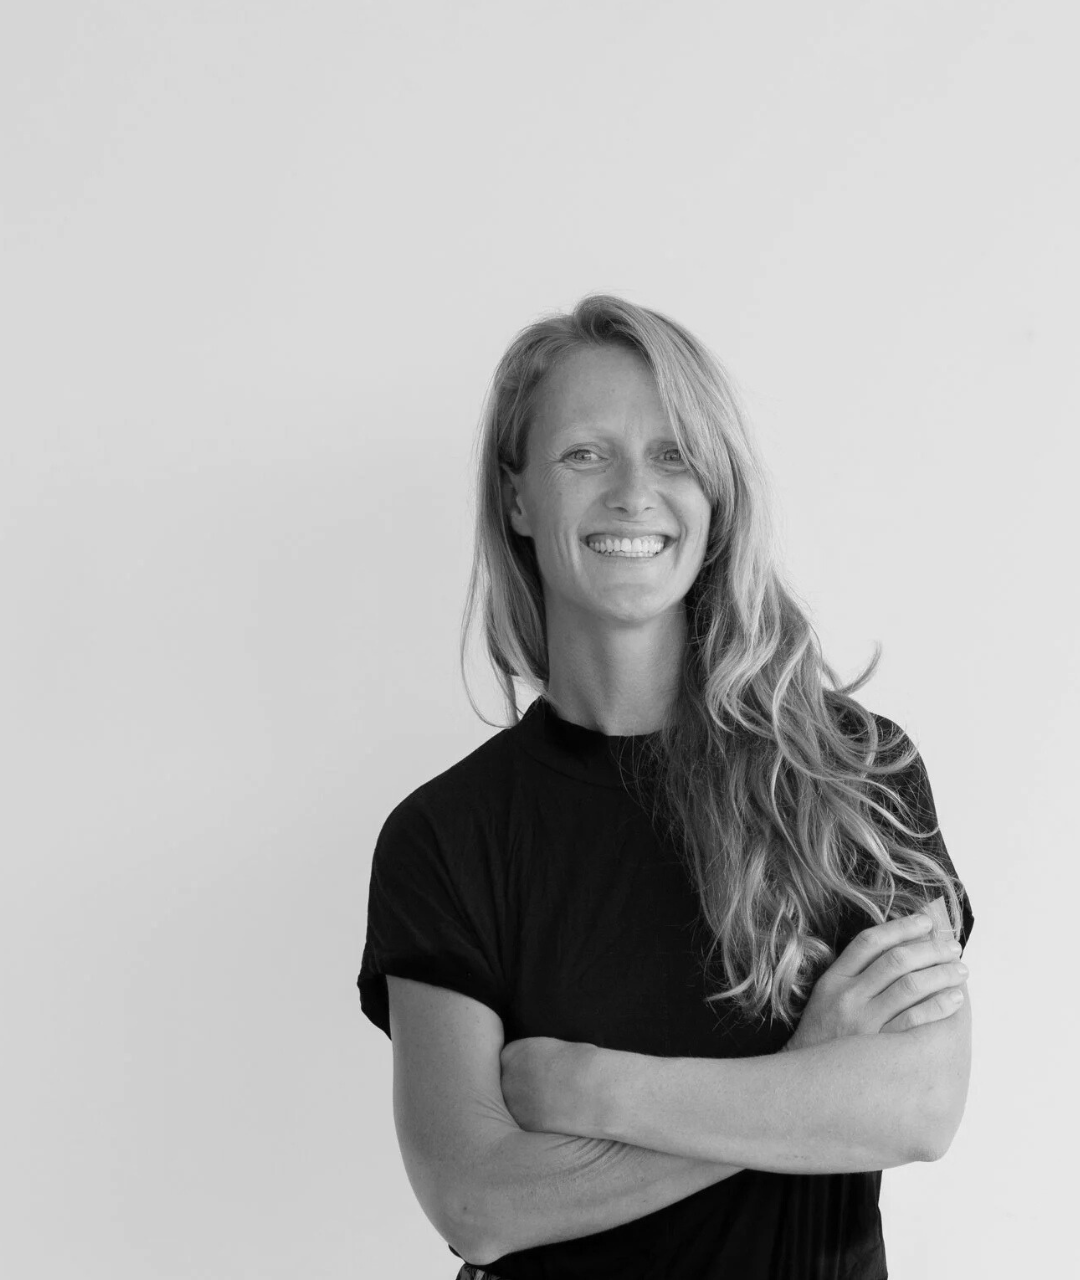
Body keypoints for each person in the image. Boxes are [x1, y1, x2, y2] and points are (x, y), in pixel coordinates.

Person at [357, 295, 974, 1280]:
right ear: (517, 498)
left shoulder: (855, 775)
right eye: (585, 454)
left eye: (675, 454)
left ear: (717, 493)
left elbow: (916, 1107)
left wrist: (590, 1087)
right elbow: (475, 1201)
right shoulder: (449, 835)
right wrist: (803, 1086)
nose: (635, 492)